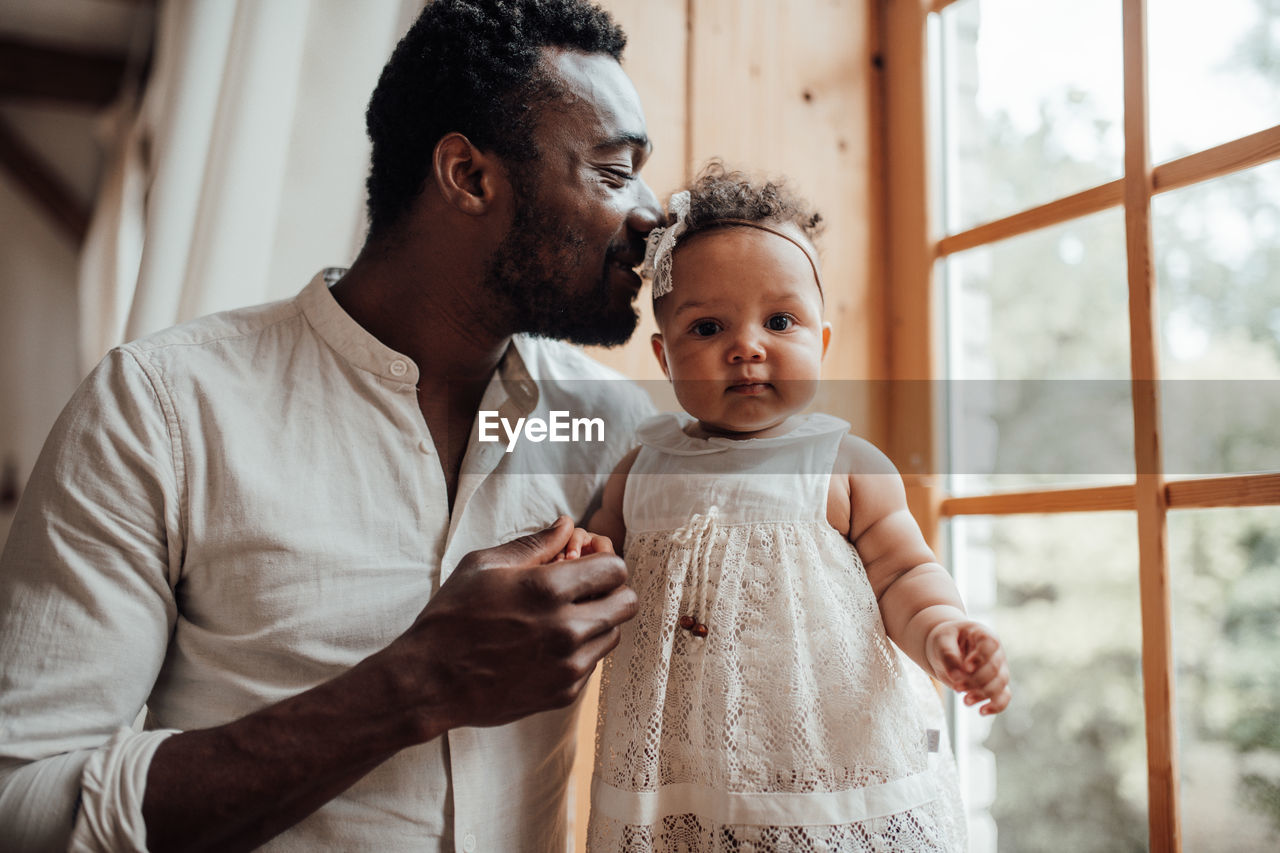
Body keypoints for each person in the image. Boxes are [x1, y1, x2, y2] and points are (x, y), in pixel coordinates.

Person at [0, 1, 665, 850]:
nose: (651, 214)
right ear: (468, 176)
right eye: (614, 173)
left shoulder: (618, 430)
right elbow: (20, 805)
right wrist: (416, 683)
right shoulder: (161, 408)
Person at [567, 165, 1012, 851]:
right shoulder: (640, 469)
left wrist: (941, 631)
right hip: (681, 773)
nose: (747, 346)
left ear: (822, 342)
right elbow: (600, 563)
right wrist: (586, 553)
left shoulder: (844, 465)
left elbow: (902, 574)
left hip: (824, 767)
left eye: (780, 320)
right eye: (708, 327)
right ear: (665, 356)